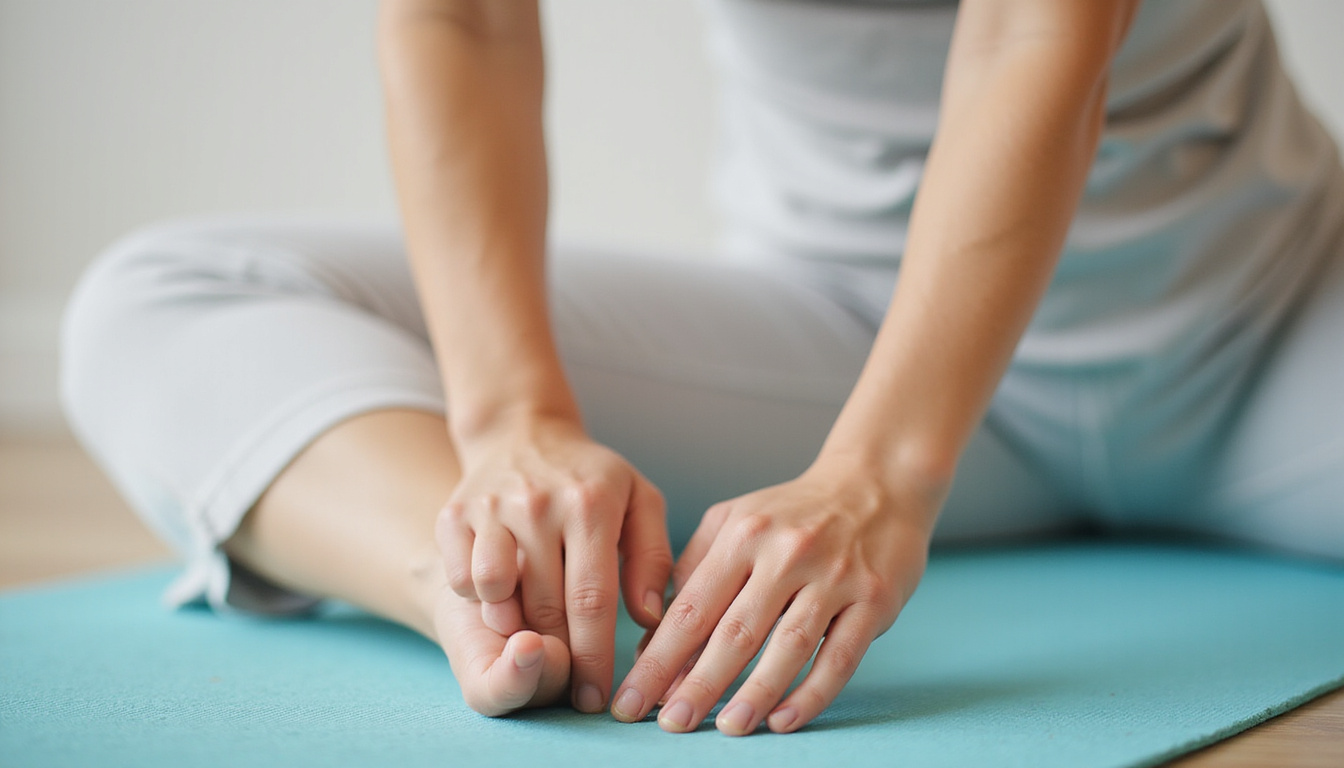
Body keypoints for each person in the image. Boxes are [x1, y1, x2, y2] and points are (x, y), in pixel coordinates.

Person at [60, 0, 1344, 737]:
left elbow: (1034, 35)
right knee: (160, 304)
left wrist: (879, 479)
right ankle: (486, 587)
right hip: (833, 336)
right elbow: (467, 18)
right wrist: (514, 426)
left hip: (1263, 317)